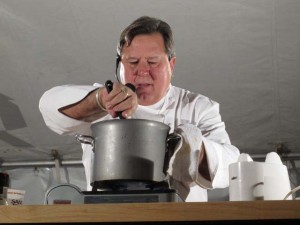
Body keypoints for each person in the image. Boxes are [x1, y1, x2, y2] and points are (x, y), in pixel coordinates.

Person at [39, 16, 240, 202]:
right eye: (133, 62)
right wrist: (100, 100)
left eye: (153, 62)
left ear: (172, 64)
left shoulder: (197, 107)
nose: (142, 71)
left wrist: (196, 150)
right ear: (119, 65)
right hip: (110, 215)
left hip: (181, 215)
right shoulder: (103, 101)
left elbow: (233, 167)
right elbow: (48, 108)